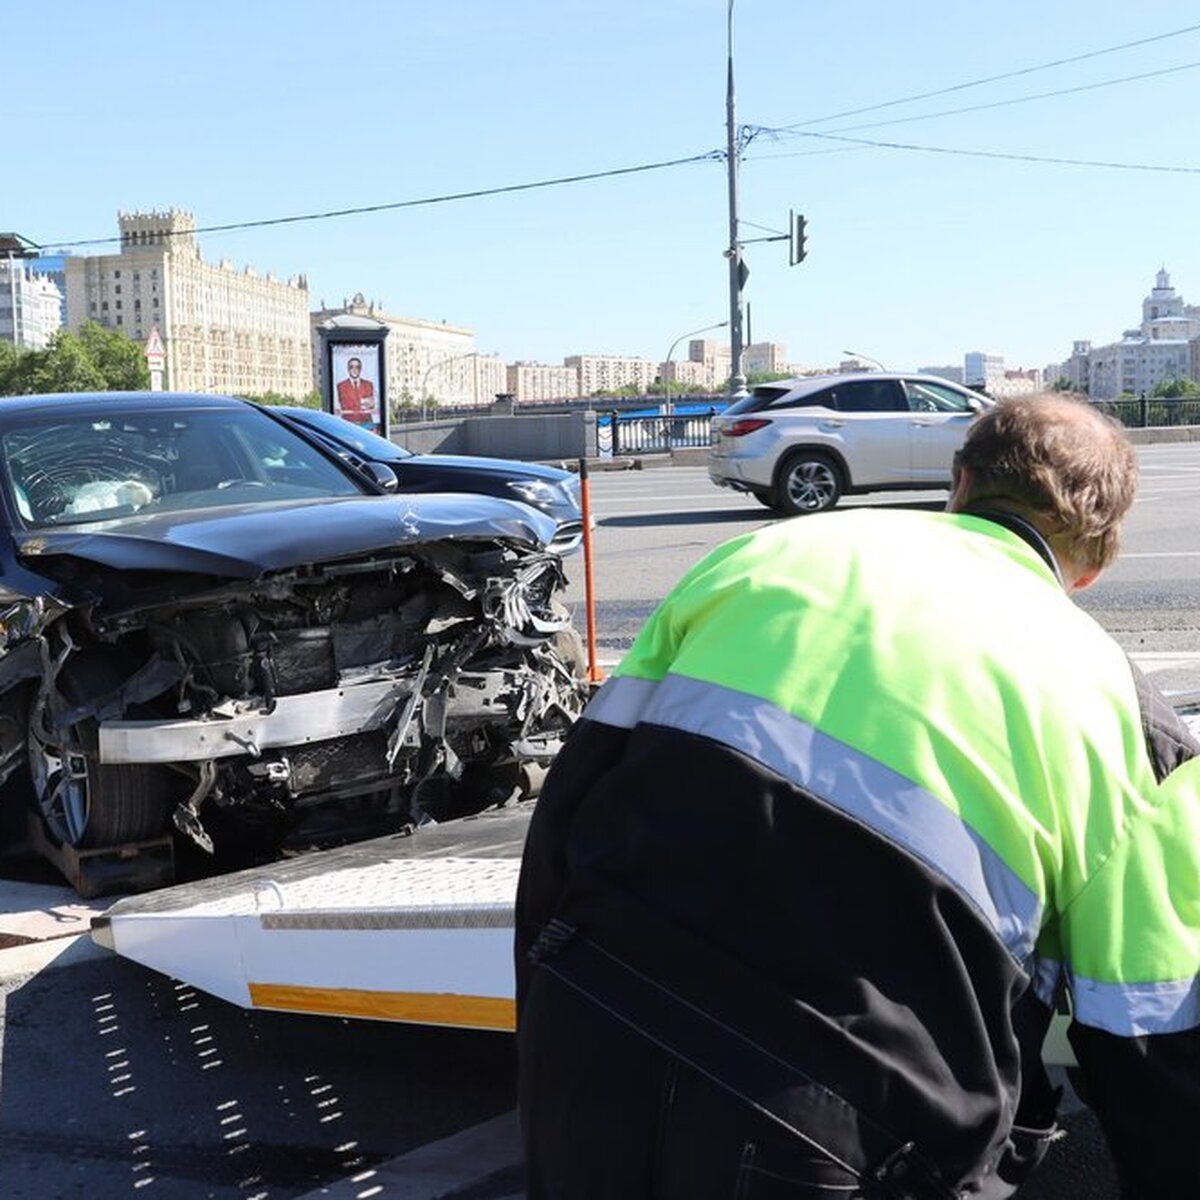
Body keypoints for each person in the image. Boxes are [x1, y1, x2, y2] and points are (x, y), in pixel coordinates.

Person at [515, 394, 1200, 1198]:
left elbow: (571, 804)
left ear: (960, 482)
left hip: (595, 1040)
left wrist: (551, 1007)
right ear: (1097, 561)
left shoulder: (765, 557)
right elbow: (1148, 1034)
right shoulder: (1123, 712)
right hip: (842, 1131)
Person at [336, 357, 375, 425]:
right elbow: (345, 405)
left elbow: (371, 405)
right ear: (348, 369)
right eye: (351, 367)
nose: (354, 370)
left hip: (366, 424)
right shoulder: (341, 386)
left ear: (360, 369)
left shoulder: (368, 384)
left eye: (357, 367)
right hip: (348, 424)